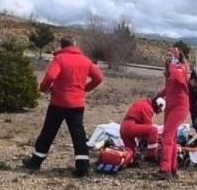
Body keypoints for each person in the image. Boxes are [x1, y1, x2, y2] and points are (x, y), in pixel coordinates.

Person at [22, 37, 104, 177]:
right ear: (75, 45)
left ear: (62, 46)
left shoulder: (60, 59)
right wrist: (85, 88)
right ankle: (83, 167)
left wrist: (44, 88)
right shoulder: (85, 60)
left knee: (48, 132)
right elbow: (98, 77)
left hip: (58, 102)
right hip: (77, 104)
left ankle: (36, 162)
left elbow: (50, 76)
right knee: (78, 135)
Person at [159, 47, 190, 179]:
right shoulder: (171, 72)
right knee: (170, 137)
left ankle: (165, 169)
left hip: (180, 106)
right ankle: (172, 168)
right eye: (166, 55)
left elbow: (179, 79)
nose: (168, 58)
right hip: (170, 107)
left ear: (177, 57)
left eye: (170, 55)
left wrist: (173, 66)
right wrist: (156, 97)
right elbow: (168, 89)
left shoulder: (181, 69)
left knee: (168, 136)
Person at [121, 94, 165, 159]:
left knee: (131, 154)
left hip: (123, 128)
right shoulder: (148, 108)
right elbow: (148, 127)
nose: (156, 112)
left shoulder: (142, 103)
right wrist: (159, 139)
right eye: (158, 110)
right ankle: (151, 156)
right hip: (130, 127)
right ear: (157, 105)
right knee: (154, 130)